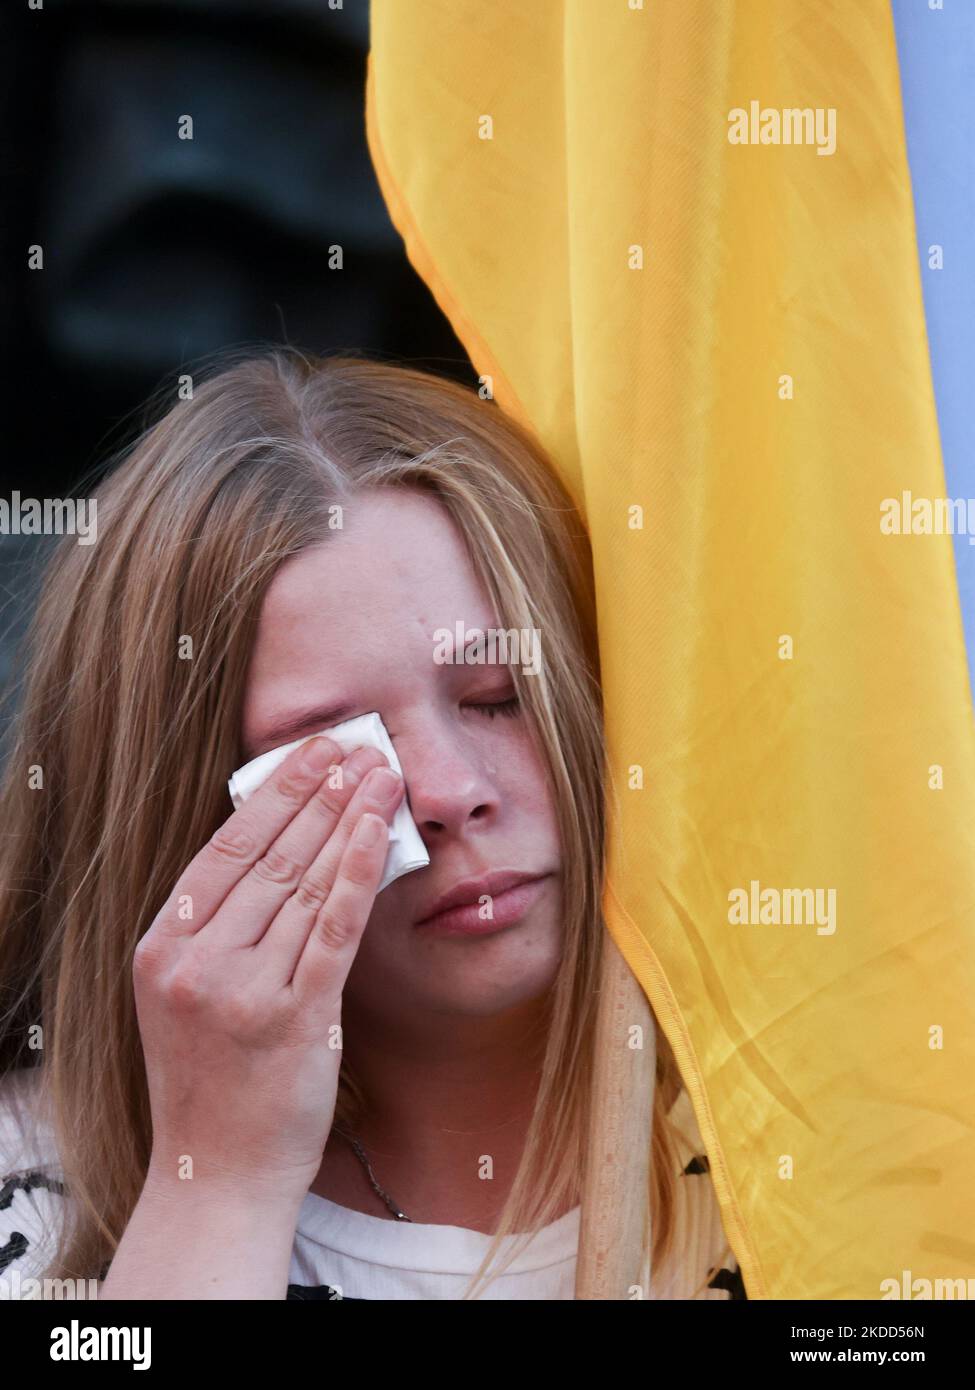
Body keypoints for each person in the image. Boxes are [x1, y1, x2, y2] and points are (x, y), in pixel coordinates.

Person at [0, 346, 744, 1300]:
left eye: (497, 695)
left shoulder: (794, 1142)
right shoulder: (44, 1211)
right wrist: (219, 1191)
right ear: (182, 818)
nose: (446, 791)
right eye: (338, 751)